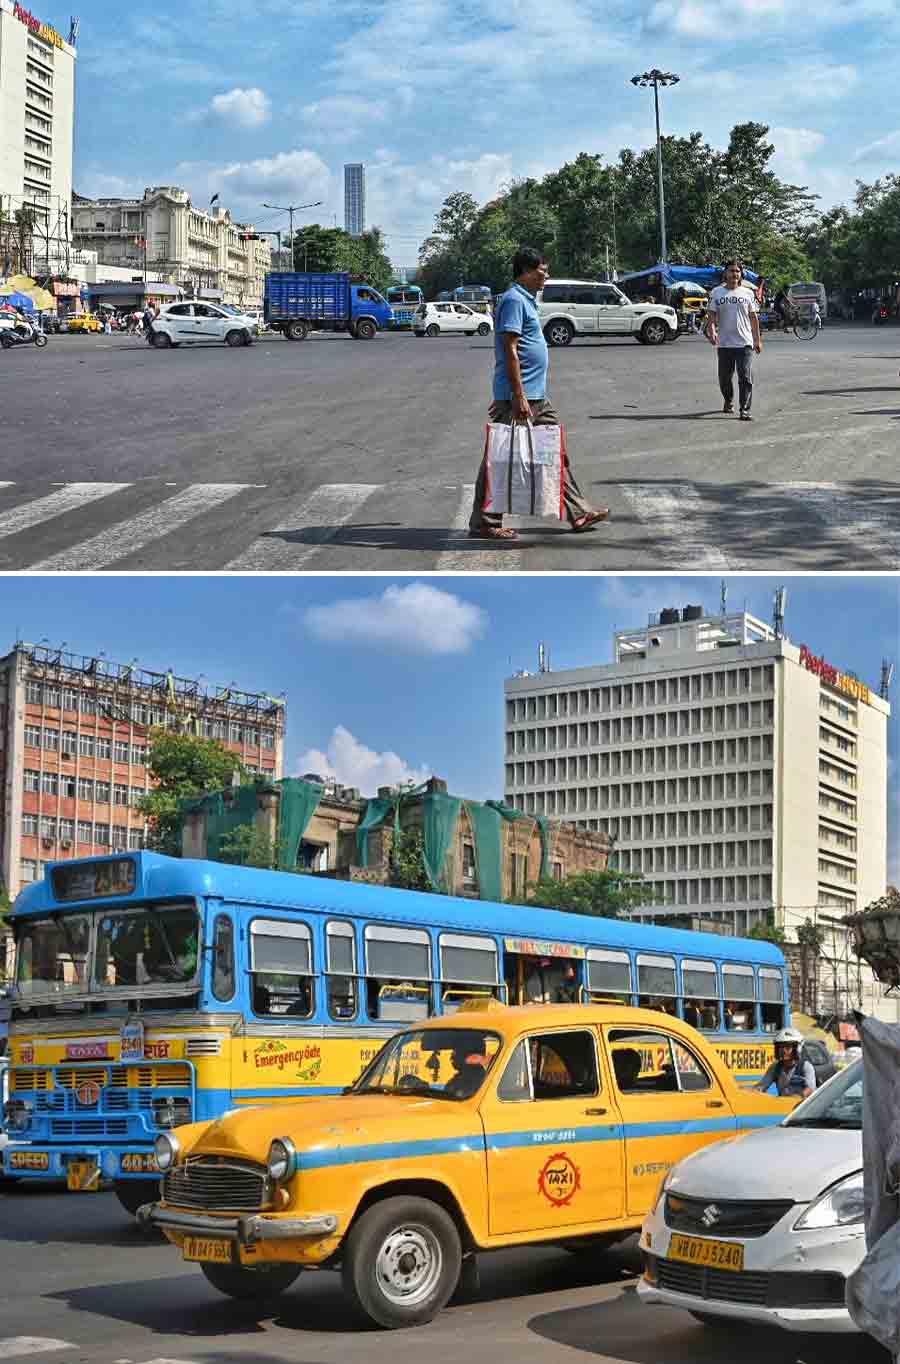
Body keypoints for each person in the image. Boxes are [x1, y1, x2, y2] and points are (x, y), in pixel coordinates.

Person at [468, 246, 609, 540]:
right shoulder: (513, 300)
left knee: (554, 452)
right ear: (526, 271)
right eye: (542, 271)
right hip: (522, 396)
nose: (546, 276)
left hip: (534, 394)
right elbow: (509, 349)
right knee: (500, 456)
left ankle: (578, 511)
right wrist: (515, 395)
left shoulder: (526, 300)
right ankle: (484, 522)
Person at [707, 260, 763, 421]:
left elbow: (753, 318)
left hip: (744, 342)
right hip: (724, 343)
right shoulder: (717, 292)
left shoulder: (748, 293)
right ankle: (728, 399)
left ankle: (745, 409)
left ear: (741, 274)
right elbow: (712, 314)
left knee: (745, 377)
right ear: (725, 273)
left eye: (737, 271)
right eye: (731, 271)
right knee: (724, 378)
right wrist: (712, 330)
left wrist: (757, 340)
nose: (734, 274)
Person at [754, 1027, 816, 1098]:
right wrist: (755, 1091)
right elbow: (762, 1086)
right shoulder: (775, 1067)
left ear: (797, 1049)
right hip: (782, 1103)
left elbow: (810, 1089)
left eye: (787, 1047)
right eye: (780, 1047)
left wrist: (798, 1096)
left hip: (801, 1104)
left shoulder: (806, 1066)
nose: (783, 1051)